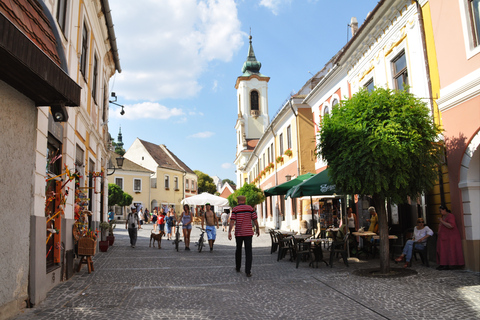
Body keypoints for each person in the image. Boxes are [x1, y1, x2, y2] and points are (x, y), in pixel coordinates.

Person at [228, 195, 260, 277]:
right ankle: (248, 271)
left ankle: (238, 267)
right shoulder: (250, 208)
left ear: (238, 201)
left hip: (239, 233)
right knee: (248, 252)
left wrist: (229, 232)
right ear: (245, 200)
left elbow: (232, 221)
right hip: (248, 233)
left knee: (238, 250)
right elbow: (255, 220)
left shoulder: (235, 209)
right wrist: (257, 229)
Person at [436, 205, 464, 270]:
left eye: (441, 211)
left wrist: (442, 221)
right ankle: (442, 264)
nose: (440, 212)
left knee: (448, 251)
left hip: (450, 238)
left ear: (444, 210)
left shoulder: (450, 216)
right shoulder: (443, 216)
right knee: (442, 251)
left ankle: (447, 265)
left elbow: (451, 225)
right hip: (443, 238)